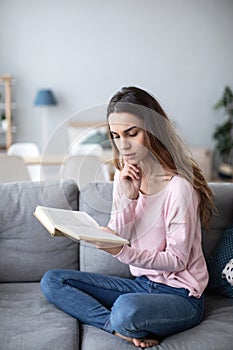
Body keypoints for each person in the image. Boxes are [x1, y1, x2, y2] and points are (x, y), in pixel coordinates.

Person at [40, 86, 216, 348]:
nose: (123, 145)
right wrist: (128, 197)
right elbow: (118, 234)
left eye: (132, 133)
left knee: (126, 308)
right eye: (116, 136)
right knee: (53, 280)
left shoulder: (179, 188)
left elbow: (177, 260)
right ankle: (118, 327)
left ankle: (131, 322)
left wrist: (121, 252)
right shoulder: (125, 176)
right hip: (143, 285)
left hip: (181, 296)